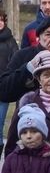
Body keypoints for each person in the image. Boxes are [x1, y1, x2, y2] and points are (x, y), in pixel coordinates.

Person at [0, 9, 19, 149]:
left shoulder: (11, 42)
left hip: (3, 89)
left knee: (0, 123)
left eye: (1, 19)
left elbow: (15, 64)